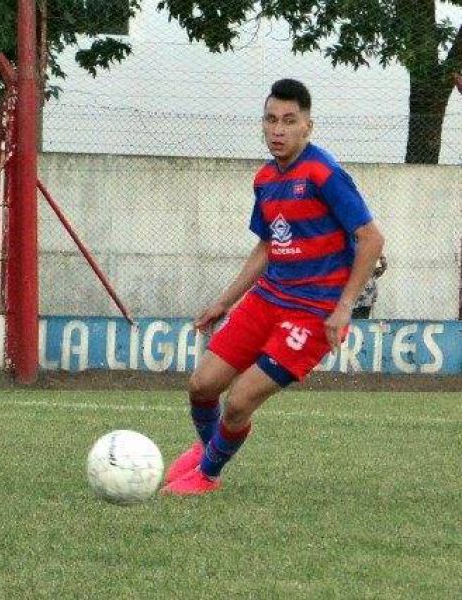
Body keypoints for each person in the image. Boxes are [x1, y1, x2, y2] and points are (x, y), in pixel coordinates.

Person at [161, 79, 384, 496]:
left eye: (289, 121)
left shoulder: (325, 174)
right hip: (268, 298)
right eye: (271, 120)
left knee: (240, 400)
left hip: (312, 311)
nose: (278, 129)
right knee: (202, 385)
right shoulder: (265, 179)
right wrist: (223, 303)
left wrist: (344, 308)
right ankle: (209, 450)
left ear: (307, 127)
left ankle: (207, 475)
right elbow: (267, 245)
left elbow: (371, 238)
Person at [352, 254, 387, 319]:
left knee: (363, 319)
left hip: (366, 302)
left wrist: (381, 256)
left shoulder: (372, 272)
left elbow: (384, 267)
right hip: (356, 303)